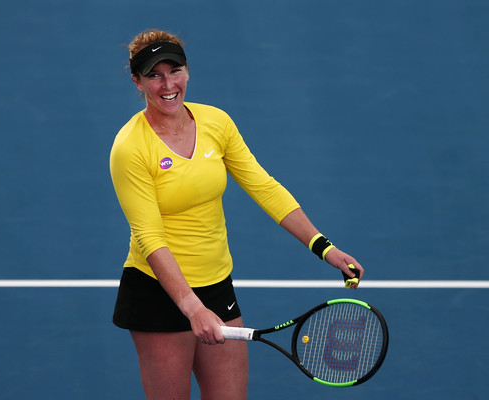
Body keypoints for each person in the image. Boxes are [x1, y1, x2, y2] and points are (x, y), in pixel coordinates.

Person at [109, 29, 364, 400]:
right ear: (138, 82)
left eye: (174, 71)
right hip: (159, 292)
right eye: (154, 75)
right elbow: (150, 238)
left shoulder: (216, 123)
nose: (168, 84)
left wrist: (324, 247)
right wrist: (192, 308)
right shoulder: (130, 148)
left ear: (188, 71)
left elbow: (264, 186)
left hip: (216, 284)